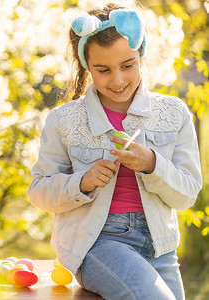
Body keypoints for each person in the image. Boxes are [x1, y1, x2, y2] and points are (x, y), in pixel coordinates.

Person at [28, 3, 202, 300]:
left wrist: (151, 164)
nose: (118, 80)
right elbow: (39, 192)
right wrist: (81, 182)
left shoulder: (173, 113)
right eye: (103, 70)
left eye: (127, 65)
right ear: (86, 65)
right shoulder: (64, 120)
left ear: (141, 55)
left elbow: (187, 194)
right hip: (97, 243)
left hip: (161, 247)